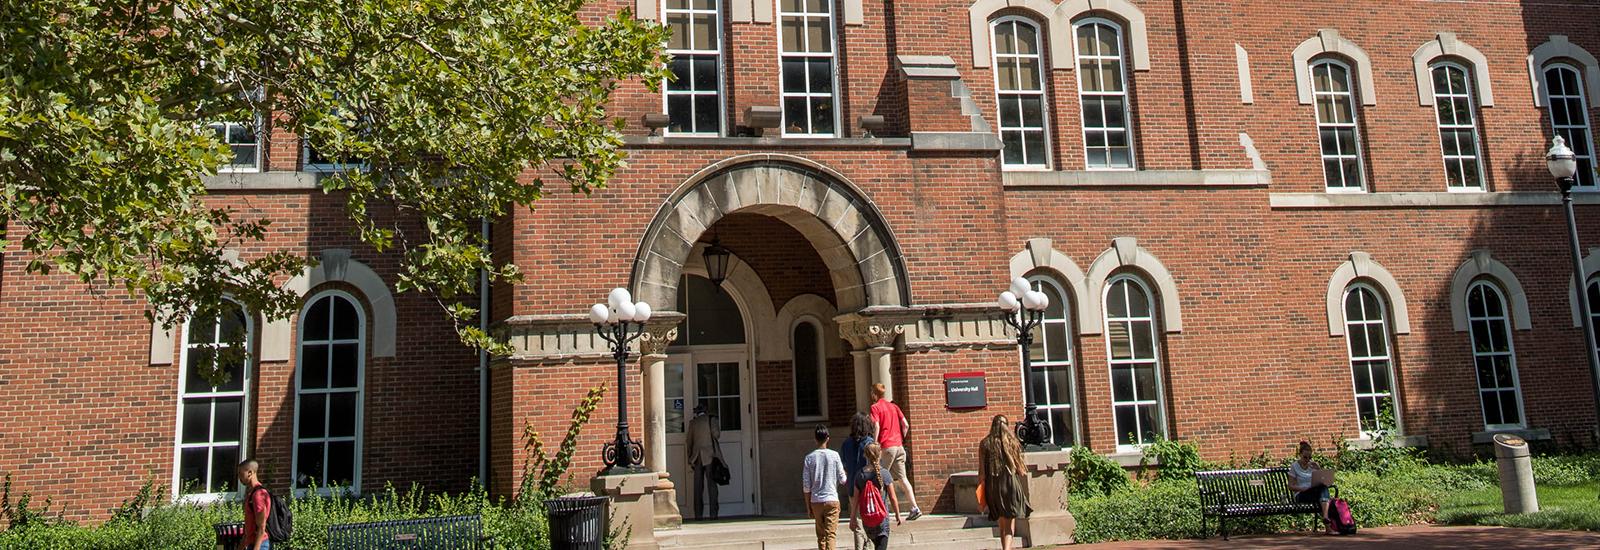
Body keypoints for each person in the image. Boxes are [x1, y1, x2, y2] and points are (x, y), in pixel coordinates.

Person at [867, 383, 921, 520]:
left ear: (874, 394)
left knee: (879, 477)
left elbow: (876, 425)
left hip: (887, 447)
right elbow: (906, 425)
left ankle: (879, 508)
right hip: (899, 446)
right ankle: (915, 507)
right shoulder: (894, 406)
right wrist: (901, 438)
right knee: (903, 478)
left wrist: (875, 442)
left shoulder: (875, 407)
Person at [977, 415, 1030, 550]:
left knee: (1001, 524)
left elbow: (982, 473)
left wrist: (981, 498)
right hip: (1010, 485)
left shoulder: (985, 444)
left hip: (993, 487)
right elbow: (1021, 471)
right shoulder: (1012, 442)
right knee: (1009, 524)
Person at [802, 424, 847, 550]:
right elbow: (843, 479)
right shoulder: (835, 455)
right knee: (830, 535)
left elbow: (806, 486)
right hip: (832, 498)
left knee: (821, 536)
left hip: (816, 500)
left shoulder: (809, 458)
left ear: (815, 439)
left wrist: (808, 506)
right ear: (828, 438)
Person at [850, 443, 900, 550]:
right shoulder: (884, 473)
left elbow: (855, 499)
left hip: (867, 521)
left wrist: (853, 517)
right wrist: (897, 514)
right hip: (882, 519)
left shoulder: (860, 475)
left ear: (865, 455)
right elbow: (893, 497)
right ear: (880, 454)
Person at [1288, 440, 1336, 535]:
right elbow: (1291, 486)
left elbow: (1323, 481)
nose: (1307, 460)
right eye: (1305, 457)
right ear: (1300, 454)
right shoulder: (1294, 466)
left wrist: (1318, 469)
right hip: (1301, 494)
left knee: (1323, 488)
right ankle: (1327, 525)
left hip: (1314, 492)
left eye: (1310, 457)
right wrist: (1303, 488)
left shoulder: (1313, 465)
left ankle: (1326, 518)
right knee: (1323, 497)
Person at [685, 403, 721, 520]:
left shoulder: (693, 423)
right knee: (712, 485)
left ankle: (698, 515)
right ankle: (713, 514)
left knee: (698, 487)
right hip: (710, 455)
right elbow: (717, 435)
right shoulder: (711, 420)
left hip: (697, 456)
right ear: (706, 411)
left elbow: (689, 442)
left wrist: (689, 458)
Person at [236, 458, 271, 550]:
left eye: (240, 473)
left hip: (260, 544)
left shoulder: (258, 495)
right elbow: (250, 526)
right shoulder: (252, 493)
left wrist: (256, 548)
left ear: (250, 473)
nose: (239, 477)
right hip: (252, 543)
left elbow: (261, 526)